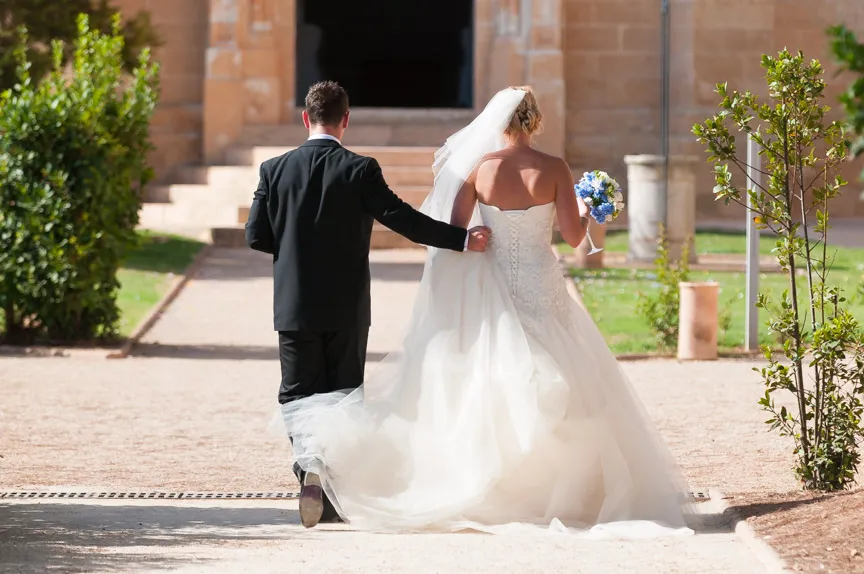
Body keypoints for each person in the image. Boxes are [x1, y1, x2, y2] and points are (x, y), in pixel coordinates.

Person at [277, 86, 694, 538]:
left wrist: (474, 241)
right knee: (565, 380)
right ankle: (555, 491)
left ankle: (469, 484)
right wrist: (589, 209)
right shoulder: (554, 168)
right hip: (540, 285)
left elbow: (456, 234)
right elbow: (574, 239)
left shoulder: (480, 169)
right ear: (534, 122)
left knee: (486, 382)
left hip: (493, 290)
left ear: (500, 123)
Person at [245, 81, 491, 526]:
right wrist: (459, 238)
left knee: (298, 393)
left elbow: (256, 236)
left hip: (294, 303)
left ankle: (308, 470)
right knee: (342, 395)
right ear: (346, 119)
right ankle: (334, 495)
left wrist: (297, 245)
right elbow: (404, 220)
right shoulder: (360, 169)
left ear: (306, 118)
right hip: (347, 305)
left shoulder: (273, 169)